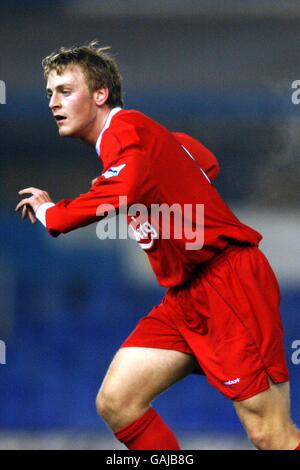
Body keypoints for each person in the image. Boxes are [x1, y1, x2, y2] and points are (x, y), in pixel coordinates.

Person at [16, 41, 300, 451]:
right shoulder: (144, 139)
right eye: (49, 94)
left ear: (100, 95)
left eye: (65, 90)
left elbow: (127, 185)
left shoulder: (123, 129)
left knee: (270, 435)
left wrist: (51, 214)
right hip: (186, 297)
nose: (53, 103)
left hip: (229, 285)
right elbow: (202, 160)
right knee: (119, 401)